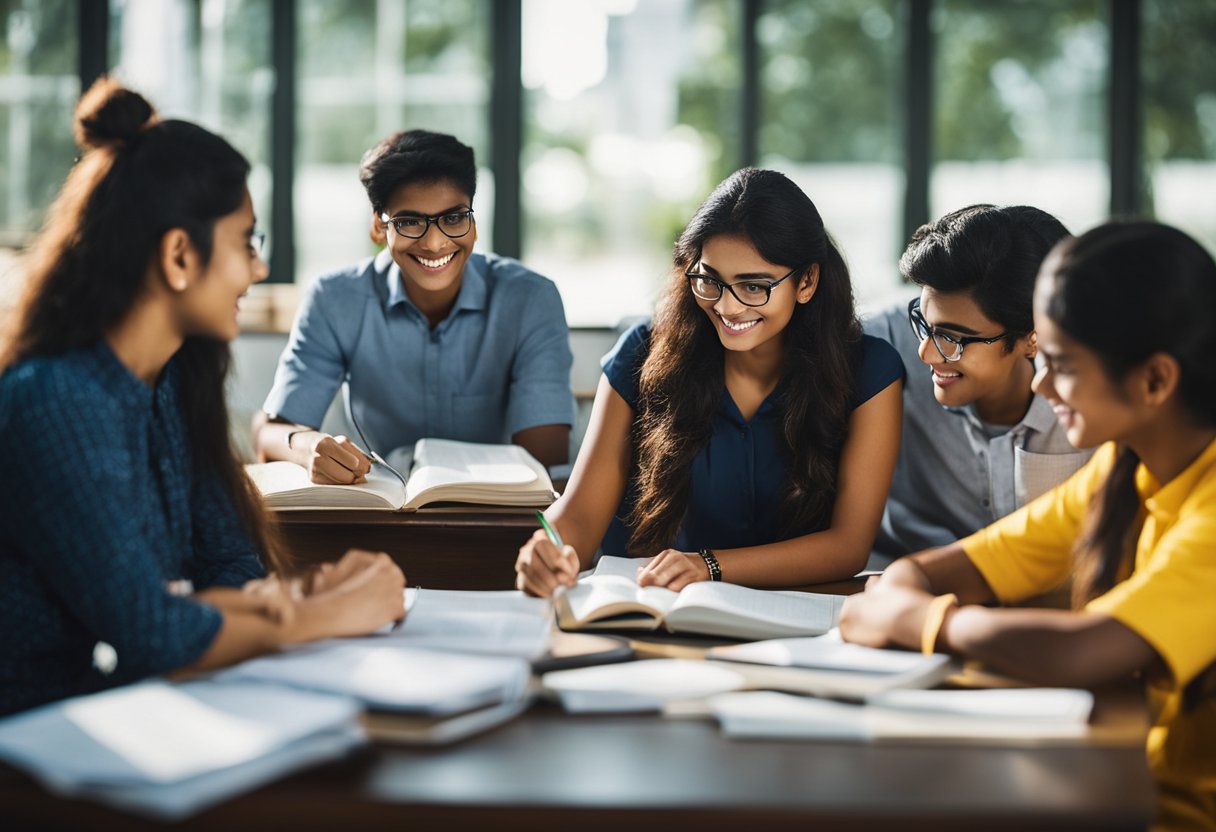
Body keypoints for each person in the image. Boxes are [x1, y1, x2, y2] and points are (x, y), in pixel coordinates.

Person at [0, 79, 406, 717]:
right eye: (247, 240)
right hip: (42, 745)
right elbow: (151, 632)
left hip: (126, 713)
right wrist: (322, 614)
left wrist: (299, 595)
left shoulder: (169, 384)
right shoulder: (55, 401)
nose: (258, 267)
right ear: (180, 256)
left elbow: (226, 567)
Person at [839, 221, 1216, 830]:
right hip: (1127, 786)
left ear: (1155, 380)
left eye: (1062, 364)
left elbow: (1085, 650)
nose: (1040, 382)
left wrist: (921, 621)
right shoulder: (1127, 466)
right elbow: (965, 563)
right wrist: (907, 588)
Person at [514, 168, 904, 596]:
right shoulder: (641, 353)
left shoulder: (869, 370)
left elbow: (848, 547)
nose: (727, 306)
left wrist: (711, 566)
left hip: (797, 620)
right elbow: (580, 516)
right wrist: (548, 549)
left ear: (807, 281)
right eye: (709, 280)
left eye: (753, 287)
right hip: (652, 608)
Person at [253, 129, 574, 484]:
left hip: (494, 516)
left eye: (453, 218)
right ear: (379, 226)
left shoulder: (530, 300)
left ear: (473, 221)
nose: (435, 243)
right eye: (409, 222)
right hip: (375, 507)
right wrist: (307, 446)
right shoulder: (334, 300)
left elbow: (545, 465)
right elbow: (268, 433)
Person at [864, 205, 1092, 567]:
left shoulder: (1094, 399)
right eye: (924, 324)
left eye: (953, 339)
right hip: (892, 580)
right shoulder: (889, 341)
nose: (925, 353)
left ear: (1032, 338)